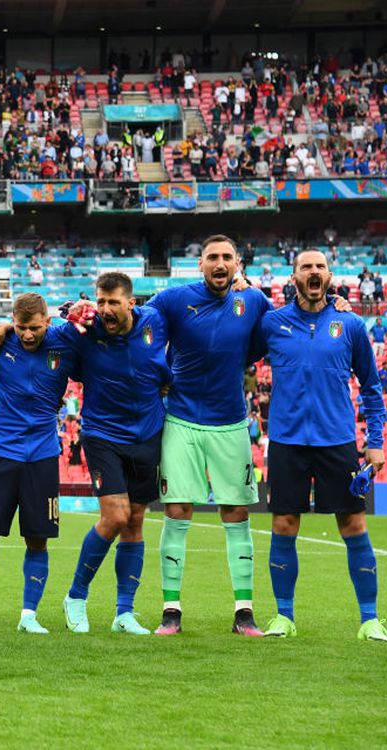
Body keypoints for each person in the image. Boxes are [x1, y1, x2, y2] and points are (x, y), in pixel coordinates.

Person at [256, 249, 387, 642]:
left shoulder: (349, 324)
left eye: (320, 267)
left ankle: (370, 619)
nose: (313, 272)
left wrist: (376, 441)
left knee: (353, 524)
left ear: (329, 275)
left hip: (338, 442)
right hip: (286, 440)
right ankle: (284, 617)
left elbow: (371, 386)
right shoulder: (272, 323)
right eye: (306, 267)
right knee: (284, 524)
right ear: (293, 276)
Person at [143, 236, 272, 637]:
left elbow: (281, 332)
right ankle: (170, 612)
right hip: (180, 419)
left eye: (226, 258)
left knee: (236, 512)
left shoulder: (253, 303)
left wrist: (336, 303)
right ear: (200, 264)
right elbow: (137, 331)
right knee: (177, 510)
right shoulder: (174, 299)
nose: (219, 263)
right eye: (211, 257)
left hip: (231, 423)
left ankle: (244, 613)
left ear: (238, 264)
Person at [52, 272, 170, 635]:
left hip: (149, 434)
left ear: (131, 303)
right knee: (116, 516)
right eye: (100, 302)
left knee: (135, 520)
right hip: (103, 434)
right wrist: (66, 313)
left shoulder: (156, 322)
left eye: (113, 302)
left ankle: (124, 612)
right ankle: (75, 596)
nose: (105, 309)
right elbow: (40, 331)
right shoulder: (84, 332)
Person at [0, 294, 77, 634]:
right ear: (14, 321)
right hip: (0, 451)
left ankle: (29, 615)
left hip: (41, 454)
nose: (28, 335)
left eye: (35, 328)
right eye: (22, 327)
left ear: (47, 322)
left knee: (37, 539)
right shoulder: (0, 342)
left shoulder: (63, 343)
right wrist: (2, 327)